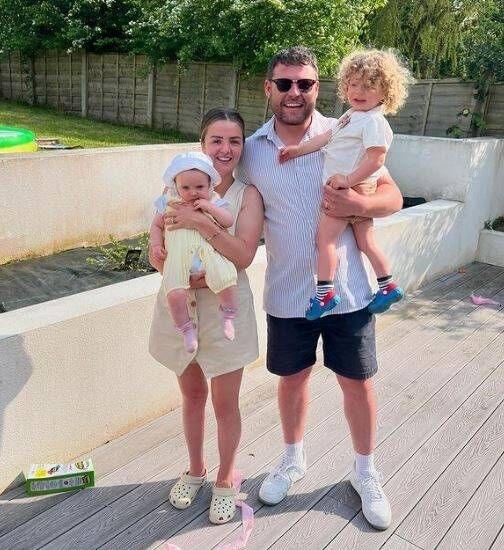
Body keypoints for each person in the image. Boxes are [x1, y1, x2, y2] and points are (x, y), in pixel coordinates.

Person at [237, 46, 403, 530]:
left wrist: (358, 204)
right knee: (292, 380)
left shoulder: (349, 129)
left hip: (348, 291)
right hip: (288, 291)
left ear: (317, 88)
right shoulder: (251, 151)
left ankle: (365, 472)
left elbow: (392, 195)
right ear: (268, 88)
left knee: (358, 382)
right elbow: (213, 186)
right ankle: (292, 460)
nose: (294, 92)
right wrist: (170, 224)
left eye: (305, 83)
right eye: (284, 83)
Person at [148, 108, 264, 524]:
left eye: (234, 141)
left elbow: (243, 255)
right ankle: (195, 469)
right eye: (216, 140)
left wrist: (200, 222)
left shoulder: (246, 195)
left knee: (225, 403)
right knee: (192, 396)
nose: (225, 149)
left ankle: (226, 477)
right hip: (183, 308)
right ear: (202, 144)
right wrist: (167, 264)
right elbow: (158, 247)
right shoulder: (176, 187)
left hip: (224, 312)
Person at [279, 49, 411, 319]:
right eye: (353, 84)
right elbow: (326, 137)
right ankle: (387, 285)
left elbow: (377, 159)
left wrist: (347, 182)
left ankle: (324, 294)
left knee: (324, 240)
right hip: (355, 189)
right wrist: (298, 150)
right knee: (366, 242)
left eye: (369, 86)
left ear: (385, 92)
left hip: (348, 190)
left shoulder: (373, 122)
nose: (358, 91)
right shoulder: (352, 116)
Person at [150, 151, 239, 352]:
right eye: (186, 188)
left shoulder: (214, 200)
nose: (193, 193)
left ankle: (228, 314)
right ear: (176, 186)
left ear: (210, 185)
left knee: (227, 279)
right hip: (177, 257)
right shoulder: (167, 201)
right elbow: (156, 226)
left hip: (208, 255)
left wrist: (210, 207)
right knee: (174, 293)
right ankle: (186, 329)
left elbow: (228, 220)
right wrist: (156, 245)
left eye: (200, 187)